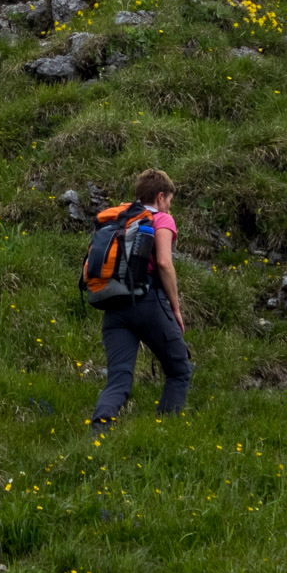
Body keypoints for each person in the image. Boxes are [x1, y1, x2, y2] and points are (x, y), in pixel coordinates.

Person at [90, 168, 192, 431]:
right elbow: (164, 263)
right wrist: (176, 308)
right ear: (160, 196)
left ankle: (99, 432)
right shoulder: (161, 220)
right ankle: (164, 430)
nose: (170, 206)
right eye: (169, 200)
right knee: (179, 369)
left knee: (119, 380)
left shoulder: (119, 219)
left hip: (113, 306)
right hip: (148, 303)